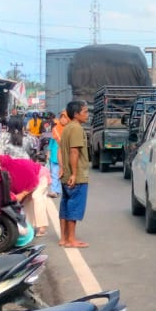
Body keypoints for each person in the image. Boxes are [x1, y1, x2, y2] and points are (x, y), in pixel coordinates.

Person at [58, 101, 90, 248]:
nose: (87, 115)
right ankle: (71, 239)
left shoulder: (66, 128)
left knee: (65, 204)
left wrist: (63, 168)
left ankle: (63, 238)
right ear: (76, 114)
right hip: (75, 176)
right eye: (85, 112)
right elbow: (74, 151)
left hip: (66, 174)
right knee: (74, 205)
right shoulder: (76, 128)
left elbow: (61, 151)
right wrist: (74, 174)